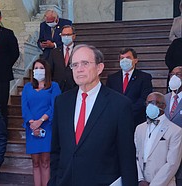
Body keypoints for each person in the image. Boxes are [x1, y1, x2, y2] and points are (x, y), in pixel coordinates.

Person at [49, 44, 138, 185]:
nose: (79, 69)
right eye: (75, 65)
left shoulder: (119, 104)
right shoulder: (62, 102)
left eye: (85, 63)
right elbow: (56, 150)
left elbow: (127, 157)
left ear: (99, 68)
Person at [22, 58, 61, 186]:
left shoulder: (54, 86)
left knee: (45, 161)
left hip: (47, 127)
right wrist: (32, 123)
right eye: (36, 68)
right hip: (31, 128)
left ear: (46, 70)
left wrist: (41, 121)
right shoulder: (28, 87)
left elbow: (55, 106)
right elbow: (25, 107)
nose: (38, 70)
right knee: (35, 162)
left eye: (41, 68)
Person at [135, 92, 182, 186]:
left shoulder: (175, 130)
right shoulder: (140, 128)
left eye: (154, 102)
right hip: (142, 183)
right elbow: (136, 155)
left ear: (163, 105)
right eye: (148, 103)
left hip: (164, 183)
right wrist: (140, 179)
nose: (150, 106)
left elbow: (172, 163)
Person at [106, 47, 153, 127]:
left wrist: (127, 112)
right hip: (116, 120)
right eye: (122, 58)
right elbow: (108, 98)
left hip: (136, 120)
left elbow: (144, 98)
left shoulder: (144, 77)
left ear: (135, 60)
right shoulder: (112, 78)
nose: (124, 60)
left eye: (128, 58)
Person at [165, 66, 182, 186]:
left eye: (179, 74)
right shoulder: (163, 99)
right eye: (172, 74)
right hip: (164, 150)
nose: (174, 77)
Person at [47, 25, 77, 92]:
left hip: (75, 87)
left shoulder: (79, 51)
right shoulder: (54, 52)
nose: (66, 37)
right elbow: (49, 70)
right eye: (63, 35)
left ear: (74, 36)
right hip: (58, 88)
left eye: (68, 34)